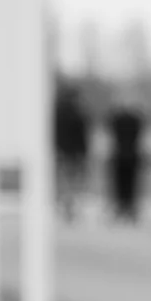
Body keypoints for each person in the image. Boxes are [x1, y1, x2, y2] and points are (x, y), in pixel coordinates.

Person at [51, 79, 90, 221]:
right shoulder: (78, 113)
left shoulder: (56, 111)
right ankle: (69, 208)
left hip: (61, 150)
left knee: (63, 181)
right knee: (72, 182)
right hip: (73, 152)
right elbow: (82, 135)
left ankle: (65, 206)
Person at [105, 96, 147, 221]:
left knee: (119, 184)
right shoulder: (136, 119)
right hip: (132, 155)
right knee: (131, 184)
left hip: (119, 154)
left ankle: (120, 208)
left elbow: (109, 123)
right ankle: (130, 209)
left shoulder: (116, 119)